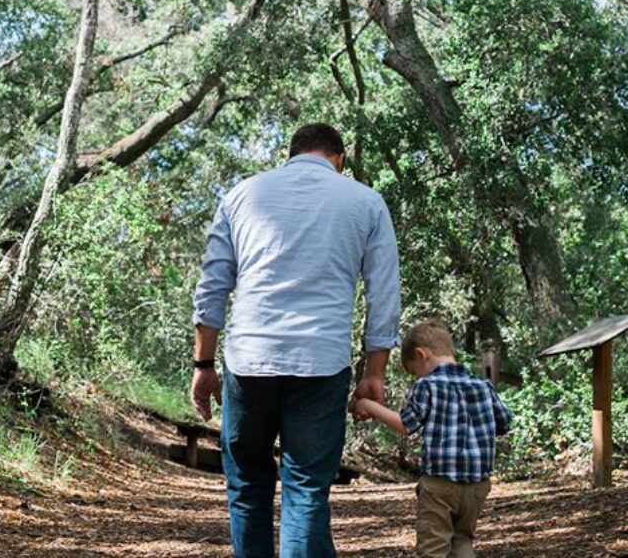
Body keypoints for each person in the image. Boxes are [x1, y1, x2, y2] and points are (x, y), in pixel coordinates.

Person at [190, 123, 402, 558]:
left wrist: (203, 366)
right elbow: (384, 295)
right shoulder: (366, 202)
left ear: (292, 154)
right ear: (339, 159)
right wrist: (374, 374)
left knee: (248, 486)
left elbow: (211, 288)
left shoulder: (241, 195)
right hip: (321, 363)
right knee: (305, 487)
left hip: (249, 360)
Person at [354, 321, 512, 558]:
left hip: (440, 485)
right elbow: (504, 423)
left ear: (421, 355)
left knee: (433, 548)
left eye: (413, 370)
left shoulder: (427, 385)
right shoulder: (483, 385)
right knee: (463, 541)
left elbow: (405, 425)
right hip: (477, 486)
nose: (415, 376)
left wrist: (368, 405)